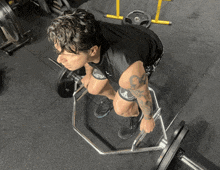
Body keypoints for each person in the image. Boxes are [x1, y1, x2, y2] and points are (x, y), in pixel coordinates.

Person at [47, 9, 163, 139]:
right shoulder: (85, 32)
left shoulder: (129, 73)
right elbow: (87, 58)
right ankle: (112, 98)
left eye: (67, 55)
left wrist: (148, 118)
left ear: (92, 51)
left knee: (121, 108)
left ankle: (135, 114)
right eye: (59, 52)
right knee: (93, 88)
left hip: (148, 49)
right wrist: (88, 74)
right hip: (125, 37)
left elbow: (144, 95)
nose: (59, 60)